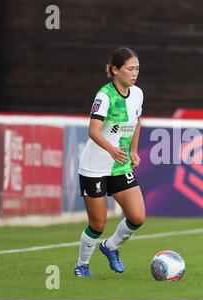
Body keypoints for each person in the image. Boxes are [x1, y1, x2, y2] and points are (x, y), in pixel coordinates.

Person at [75, 47, 145, 277]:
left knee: (137, 216)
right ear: (115, 70)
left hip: (120, 165)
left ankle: (110, 247)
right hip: (95, 167)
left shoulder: (137, 94)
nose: (134, 74)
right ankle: (82, 265)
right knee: (97, 224)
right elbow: (93, 131)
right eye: (129, 69)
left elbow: (137, 123)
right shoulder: (104, 96)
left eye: (137, 69)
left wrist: (133, 150)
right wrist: (113, 149)